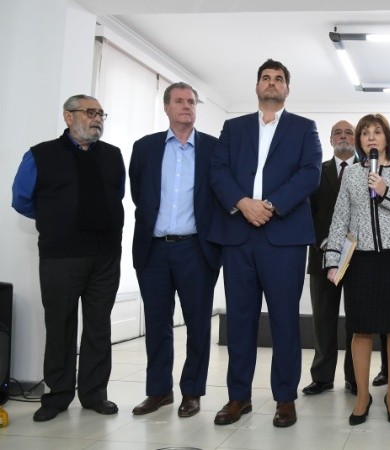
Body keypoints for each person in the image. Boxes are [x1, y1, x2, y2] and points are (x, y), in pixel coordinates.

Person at [208, 59, 322, 427]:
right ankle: (238, 397)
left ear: (287, 89)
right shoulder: (233, 127)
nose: (272, 83)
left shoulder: (305, 129)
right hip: (239, 235)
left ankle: (285, 398)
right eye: (266, 78)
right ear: (256, 86)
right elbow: (219, 171)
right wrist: (243, 204)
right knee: (240, 319)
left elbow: (310, 173)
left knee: (285, 320)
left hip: (284, 237)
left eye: (279, 79)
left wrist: (269, 206)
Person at [12, 95, 124, 422]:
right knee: (60, 325)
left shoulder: (113, 156)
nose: (97, 118)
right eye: (90, 112)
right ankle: (58, 395)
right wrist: (56, 218)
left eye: (101, 113)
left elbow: (114, 196)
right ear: (68, 116)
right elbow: (22, 200)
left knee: (98, 327)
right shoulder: (40, 155)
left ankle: (94, 394)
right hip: (61, 256)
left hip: (105, 256)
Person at [323, 113, 390, 426]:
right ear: (359, 141)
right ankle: (363, 396)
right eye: (365, 132)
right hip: (362, 260)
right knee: (361, 329)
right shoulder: (352, 174)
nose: (370, 137)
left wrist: (385, 194)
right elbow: (340, 218)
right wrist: (332, 259)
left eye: (376, 132)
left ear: (386, 138)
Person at [129, 82, 221, 418]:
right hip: (153, 250)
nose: (186, 106)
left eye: (191, 101)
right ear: (166, 107)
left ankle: (192, 392)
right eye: (179, 101)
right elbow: (141, 195)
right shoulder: (145, 148)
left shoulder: (214, 148)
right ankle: (158, 392)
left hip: (196, 249)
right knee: (157, 324)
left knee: (198, 325)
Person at [302, 120, 358, 396]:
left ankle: (354, 376)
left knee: (357, 320)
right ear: (331, 138)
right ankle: (322, 377)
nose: (344, 136)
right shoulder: (316, 171)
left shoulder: (366, 171)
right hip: (322, 255)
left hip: (359, 258)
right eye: (338, 132)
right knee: (323, 319)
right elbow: (307, 212)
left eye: (349, 132)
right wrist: (324, 241)